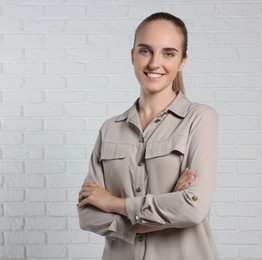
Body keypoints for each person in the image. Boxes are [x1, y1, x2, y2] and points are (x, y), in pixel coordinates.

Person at [77, 12, 219, 260]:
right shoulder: (110, 129)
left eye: (168, 53)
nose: (154, 63)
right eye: (145, 51)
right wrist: (169, 208)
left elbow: (193, 208)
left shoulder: (200, 119)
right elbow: (88, 216)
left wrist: (114, 204)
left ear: (182, 61)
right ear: (132, 55)